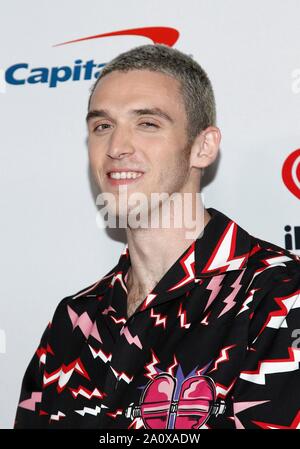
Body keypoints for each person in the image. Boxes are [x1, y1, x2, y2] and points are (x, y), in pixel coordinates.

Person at [14, 44, 300, 429]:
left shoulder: (279, 296)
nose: (117, 147)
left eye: (147, 123)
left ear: (203, 146)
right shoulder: (75, 319)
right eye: (102, 126)